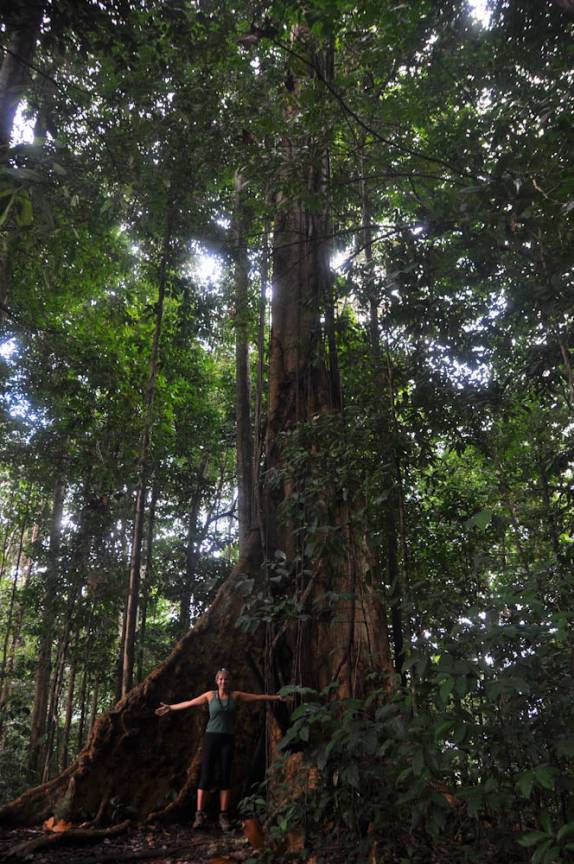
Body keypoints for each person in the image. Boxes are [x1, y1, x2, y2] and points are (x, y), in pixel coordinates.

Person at [155, 667, 284, 831]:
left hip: (227, 739)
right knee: (206, 775)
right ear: (217, 681)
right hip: (211, 738)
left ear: (229, 681)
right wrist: (170, 707)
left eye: (226, 679)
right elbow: (190, 703)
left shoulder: (235, 696)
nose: (223, 681)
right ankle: (199, 815)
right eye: (221, 679)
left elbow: (258, 697)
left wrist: (277, 697)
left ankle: (223, 816)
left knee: (225, 776)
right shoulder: (210, 695)